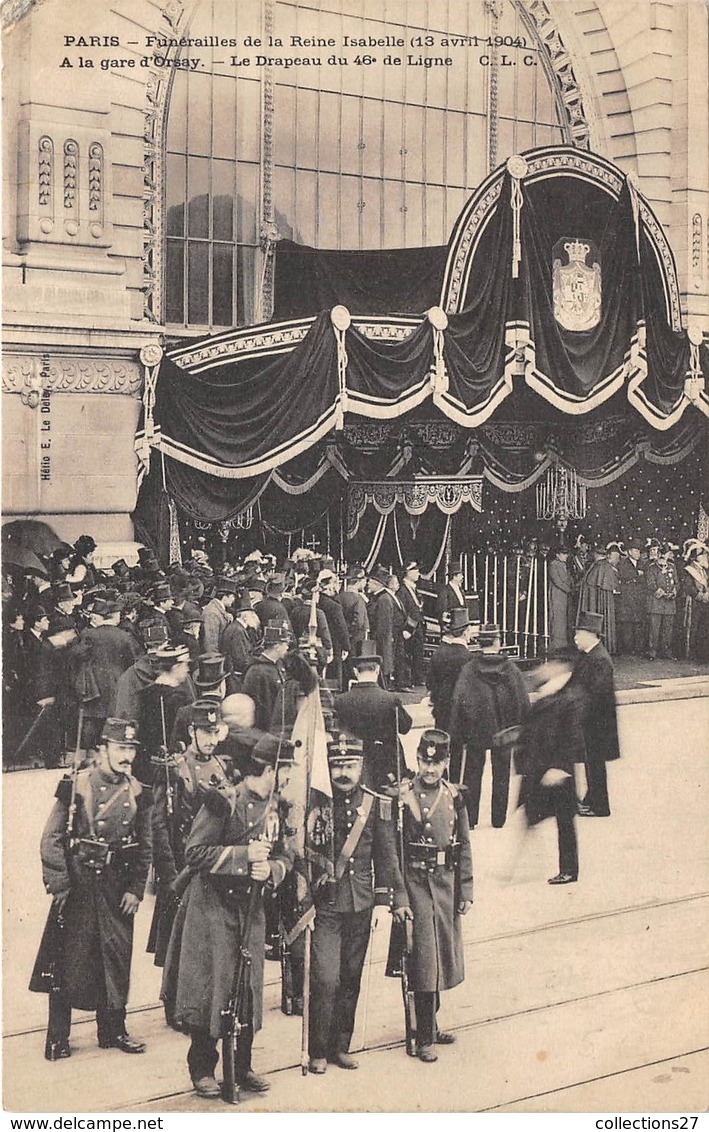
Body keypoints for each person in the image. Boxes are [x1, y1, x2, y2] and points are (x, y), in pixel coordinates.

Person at [161, 733, 294, 1099]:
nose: (288, 780)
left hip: (250, 909)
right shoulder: (225, 802)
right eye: (285, 772)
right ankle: (202, 1068)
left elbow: (287, 854)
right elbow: (195, 852)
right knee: (212, 988)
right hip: (213, 906)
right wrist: (243, 856)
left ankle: (244, 1065)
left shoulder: (278, 806)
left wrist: (274, 871)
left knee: (247, 987)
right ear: (269, 769)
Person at [30, 718, 152, 1059]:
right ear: (103, 751)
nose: (127, 756)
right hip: (79, 884)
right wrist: (60, 884)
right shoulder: (76, 786)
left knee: (116, 958)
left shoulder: (139, 791)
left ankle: (113, 1029)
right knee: (67, 961)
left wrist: (136, 889)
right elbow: (51, 839)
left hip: (117, 887)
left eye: (131, 749)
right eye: (121, 748)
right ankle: (57, 1037)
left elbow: (145, 848)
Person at [308, 733, 410, 1075]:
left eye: (350, 765)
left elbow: (387, 855)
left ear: (361, 765)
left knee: (351, 977)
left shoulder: (374, 803)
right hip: (326, 904)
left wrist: (394, 899)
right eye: (337, 766)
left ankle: (341, 1046)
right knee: (325, 978)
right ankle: (317, 1049)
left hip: (361, 902)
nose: (343, 773)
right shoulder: (317, 803)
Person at [398, 730, 473, 1062]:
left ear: (446, 763)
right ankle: (423, 1035)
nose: (430, 769)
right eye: (425, 762)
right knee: (424, 960)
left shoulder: (454, 796)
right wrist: (398, 894)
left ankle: (431, 1024)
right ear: (416, 760)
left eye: (437, 763)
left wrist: (466, 889)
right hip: (416, 885)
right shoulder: (404, 797)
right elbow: (395, 850)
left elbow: (464, 845)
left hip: (445, 884)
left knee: (441, 957)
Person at [148, 699, 231, 971]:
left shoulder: (221, 765)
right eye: (205, 732)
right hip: (182, 869)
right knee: (176, 952)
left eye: (215, 732)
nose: (211, 739)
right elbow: (158, 824)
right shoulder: (176, 769)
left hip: (211, 869)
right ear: (191, 732)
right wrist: (168, 873)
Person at [448, 624, 529, 828]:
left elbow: (458, 701)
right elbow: (522, 701)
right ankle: (498, 819)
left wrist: (457, 734)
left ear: (479, 643)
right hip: (503, 732)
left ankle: (471, 819)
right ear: (498, 643)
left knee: (472, 774)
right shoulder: (511, 669)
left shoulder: (469, 670)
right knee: (502, 774)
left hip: (475, 731)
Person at [515, 651, 585, 885]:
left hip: (556, 771)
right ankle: (520, 865)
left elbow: (573, 737)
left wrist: (559, 767)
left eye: (551, 664)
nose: (546, 668)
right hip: (540, 767)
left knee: (564, 821)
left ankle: (569, 870)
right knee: (530, 814)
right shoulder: (550, 689)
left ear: (561, 666)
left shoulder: (570, 696)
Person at [333, 640, 412, 790]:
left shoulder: (341, 701)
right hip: (386, 769)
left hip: (353, 767)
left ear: (356, 672)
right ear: (377, 670)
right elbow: (406, 727)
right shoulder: (390, 699)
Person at [569, 610, 620, 817]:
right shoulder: (590, 655)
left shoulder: (600, 659)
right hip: (593, 721)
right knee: (592, 763)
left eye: (578, 634)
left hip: (597, 723)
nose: (575, 638)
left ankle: (600, 806)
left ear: (590, 634)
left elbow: (594, 694)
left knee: (595, 764)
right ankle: (592, 799)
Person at [425, 608, 474, 733]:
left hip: (441, 712)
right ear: (465, 633)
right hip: (461, 716)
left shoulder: (439, 653)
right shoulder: (469, 658)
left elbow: (430, 683)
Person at [242, 620, 291, 732]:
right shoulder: (256, 671)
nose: (287, 647)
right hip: (265, 729)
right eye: (285, 643)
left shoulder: (279, 664)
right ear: (277, 646)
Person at [577, 542, 620, 654]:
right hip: (599, 598)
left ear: (596, 554)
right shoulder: (602, 565)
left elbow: (591, 583)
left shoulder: (599, 565)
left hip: (596, 600)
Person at [366, 566, 400, 690]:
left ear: (377, 584)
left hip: (381, 643)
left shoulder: (383, 599)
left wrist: (376, 642)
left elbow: (383, 626)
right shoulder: (378, 597)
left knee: (382, 671)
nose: (368, 584)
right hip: (379, 641)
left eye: (370, 582)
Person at [645, 545, 678, 660]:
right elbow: (650, 584)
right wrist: (663, 593)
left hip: (669, 604)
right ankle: (652, 652)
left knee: (667, 629)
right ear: (658, 555)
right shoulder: (652, 568)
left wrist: (674, 592)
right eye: (661, 554)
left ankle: (666, 651)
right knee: (654, 629)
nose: (664, 556)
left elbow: (677, 583)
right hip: (656, 603)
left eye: (666, 554)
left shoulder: (672, 567)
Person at [616, 539, 647, 655]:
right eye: (635, 551)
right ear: (629, 552)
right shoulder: (623, 563)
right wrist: (636, 575)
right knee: (627, 624)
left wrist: (635, 577)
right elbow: (623, 575)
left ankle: (638, 649)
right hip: (627, 597)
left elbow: (645, 579)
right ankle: (627, 649)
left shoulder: (642, 564)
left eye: (639, 551)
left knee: (638, 623)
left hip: (639, 597)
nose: (638, 553)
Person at [398, 561, 426, 688]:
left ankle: (417, 678)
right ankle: (408, 680)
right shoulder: (402, 590)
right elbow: (403, 611)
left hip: (417, 627)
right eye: (415, 571)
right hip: (409, 629)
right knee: (408, 654)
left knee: (417, 653)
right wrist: (407, 629)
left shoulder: (413, 589)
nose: (418, 573)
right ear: (408, 573)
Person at [681, 540, 709, 662]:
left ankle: (701, 653)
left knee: (703, 628)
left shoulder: (703, 570)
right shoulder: (689, 569)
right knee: (693, 627)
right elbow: (688, 587)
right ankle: (691, 653)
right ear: (696, 557)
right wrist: (701, 596)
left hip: (704, 603)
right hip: (694, 602)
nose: (705, 557)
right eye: (702, 555)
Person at [202, 578, 238, 654]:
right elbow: (211, 644)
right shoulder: (212, 614)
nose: (233, 600)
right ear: (224, 597)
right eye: (232, 597)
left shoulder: (218, 609)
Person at [547, 546, 573, 651]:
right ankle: (556, 643)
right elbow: (556, 580)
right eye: (563, 554)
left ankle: (563, 642)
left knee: (564, 618)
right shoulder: (553, 565)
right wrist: (568, 589)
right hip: (557, 594)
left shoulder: (564, 565)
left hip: (564, 595)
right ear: (557, 554)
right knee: (557, 618)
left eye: (566, 554)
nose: (566, 556)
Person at [436, 564, 467, 633]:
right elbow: (442, 610)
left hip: (461, 627)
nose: (462, 577)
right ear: (454, 577)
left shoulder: (461, 590)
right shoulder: (445, 590)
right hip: (450, 628)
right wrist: (446, 627)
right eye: (460, 575)